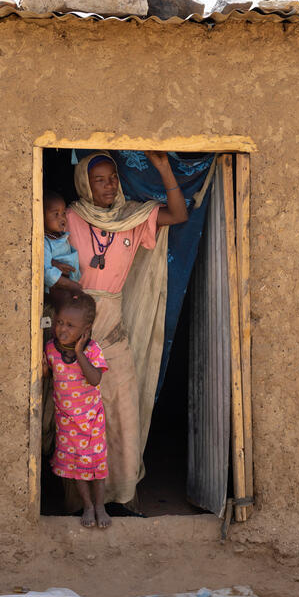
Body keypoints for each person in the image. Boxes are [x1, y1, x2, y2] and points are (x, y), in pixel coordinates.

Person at [65, 151, 188, 507]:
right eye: (99, 179)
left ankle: (122, 496)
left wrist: (164, 167)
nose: (108, 185)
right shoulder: (71, 217)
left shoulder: (132, 217)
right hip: (76, 329)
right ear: (85, 184)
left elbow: (179, 214)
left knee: (122, 413)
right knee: (78, 418)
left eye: (113, 177)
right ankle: (79, 503)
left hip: (113, 330)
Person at [44, 292, 111, 528]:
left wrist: (80, 351)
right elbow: (48, 374)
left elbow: (94, 379)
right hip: (66, 422)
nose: (63, 329)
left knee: (96, 467)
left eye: (70, 326)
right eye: (60, 322)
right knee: (75, 467)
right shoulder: (51, 350)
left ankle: (101, 505)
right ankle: (88, 506)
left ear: (86, 329)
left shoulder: (92, 351)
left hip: (91, 422)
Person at [43, 189, 82, 310]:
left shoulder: (61, 237)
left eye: (64, 213)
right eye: (56, 214)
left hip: (68, 285)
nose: (62, 218)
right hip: (55, 288)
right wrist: (72, 286)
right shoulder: (45, 242)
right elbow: (46, 272)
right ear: (42, 216)